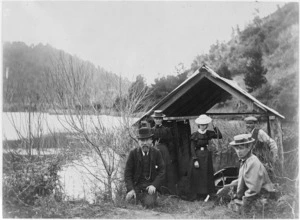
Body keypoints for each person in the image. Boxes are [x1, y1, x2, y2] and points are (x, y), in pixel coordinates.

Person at [217, 134, 275, 216]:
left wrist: (241, 202)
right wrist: (228, 186)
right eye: (236, 148)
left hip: (261, 197)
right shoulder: (246, 160)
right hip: (255, 196)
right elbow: (243, 178)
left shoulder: (252, 162)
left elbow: (253, 190)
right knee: (231, 202)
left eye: (241, 148)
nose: (238, 151)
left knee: (233, 206)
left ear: (249, 148)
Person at [124, 127, 165, 208]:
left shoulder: (156, 153)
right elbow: (127, 173)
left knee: (149, 204)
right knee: (131, 201)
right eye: (142, 140)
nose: (145, 143)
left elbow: (162, 171)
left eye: (147, 140)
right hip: (137, 186)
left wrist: (154, 185)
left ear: (151, 141)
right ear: (139, 142)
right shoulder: (133, 154)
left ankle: (153, 198)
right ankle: (137, 199)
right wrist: (130, 189)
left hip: (150, 187)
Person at [189, 114, 222, 200]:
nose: (203, 126)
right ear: (198, 125)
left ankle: (207, 194)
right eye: (201, 125)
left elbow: (220, 136)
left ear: (207, 125)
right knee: (198, 174)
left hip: (207, 156)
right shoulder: (195, 135)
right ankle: (198, 194)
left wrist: (215, 127)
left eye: (204, 125)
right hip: (198, 155)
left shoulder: (209, 133)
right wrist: (195, 160)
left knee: (207, 174)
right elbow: (192, 148)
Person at [151, 110, 175, 194]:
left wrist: (170, 155)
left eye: (159, 119)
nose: (158, 120)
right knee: (155, 168)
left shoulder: (166, 130)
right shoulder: (151, 130)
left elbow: (171, 143)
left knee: (165, 168)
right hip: (154, 150)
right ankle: (156, 190)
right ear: (154, 120)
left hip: (164, 150)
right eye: (156, 119)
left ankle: (166, 190)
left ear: (162, 119)